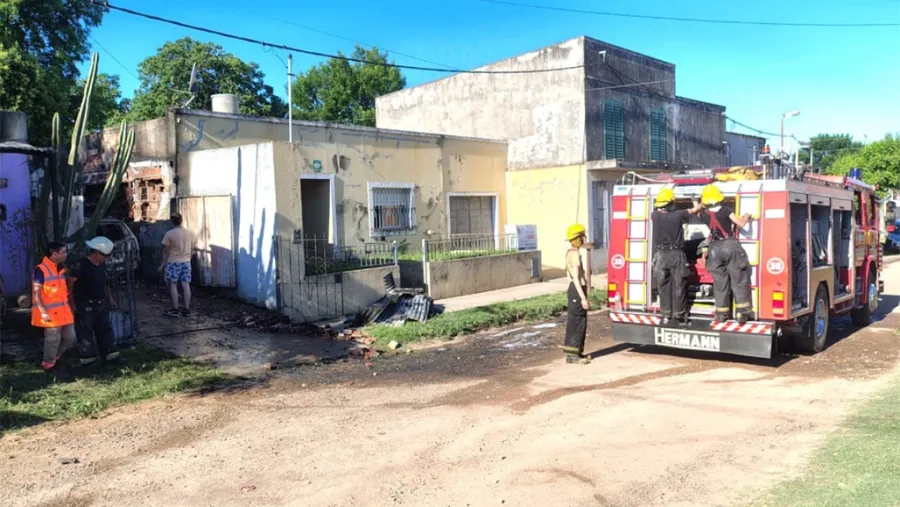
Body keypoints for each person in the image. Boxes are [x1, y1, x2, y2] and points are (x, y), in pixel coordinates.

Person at [699, 184, 754, 323]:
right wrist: (747, 216)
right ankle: (742, 313)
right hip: (729, 246)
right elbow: (741, 223)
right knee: (738, 279)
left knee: (720, 283)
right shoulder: (726, 210)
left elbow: (701, 210)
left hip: (714, 249)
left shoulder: (703, 215)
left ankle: (721, 314)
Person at [68, 236, 125, 366]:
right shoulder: (81, 265)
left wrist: (110, 298)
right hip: (85, 305)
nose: (106, 258)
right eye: (104, 255)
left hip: (101, 303)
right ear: (96, 252)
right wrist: (72, 303)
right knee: (85, 333)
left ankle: (111, 356)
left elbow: (105, 283)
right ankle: (88, 360)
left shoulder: (102, 265)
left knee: (105, 330)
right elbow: (70, 283)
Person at [651, 188, 703, 325]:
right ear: (671, 203)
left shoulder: (654, 215)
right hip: (676, 255)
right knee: (679, 284)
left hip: (661, 256)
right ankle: (679, 314)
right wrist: (701, 202)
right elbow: (695, 210)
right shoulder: (678, 215)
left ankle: (666, 314)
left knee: (664, 286)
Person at [32, 241, 76, 378]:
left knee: (70, 338)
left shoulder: (60, 268)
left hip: (64, 312)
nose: (66, 254)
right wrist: (43, 311)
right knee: (52, 340)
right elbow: (36, 293)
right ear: (54, 253)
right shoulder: (41, 269)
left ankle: (54, 359)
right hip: (51, 314)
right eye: (63, 252)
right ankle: (48, 365)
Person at [563, 224, 592, 364]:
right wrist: (583, 298)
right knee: (577, 322)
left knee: (578, 321)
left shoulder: (572, 252)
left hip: (576, 289)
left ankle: (576, 353)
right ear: (577, 238)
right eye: (582, 236)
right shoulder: (574, 254)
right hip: (576, 290)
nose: (584, 238)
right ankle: (573, 355)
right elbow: (575, 278)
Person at [159, 212, 193, 317]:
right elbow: (191, 248)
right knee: (185, 285)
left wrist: (162, 264)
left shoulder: (169, 234)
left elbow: (166, 251)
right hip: (186, 262)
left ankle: (175, 309)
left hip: (174, 262)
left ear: (172, 221)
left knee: (173, 285)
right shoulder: (188, 233)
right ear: (181, 220)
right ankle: (186, 309)